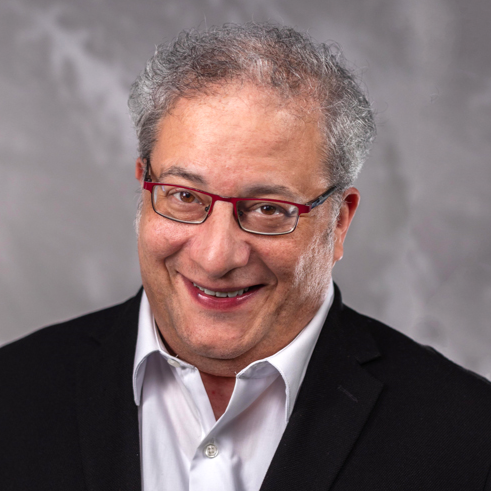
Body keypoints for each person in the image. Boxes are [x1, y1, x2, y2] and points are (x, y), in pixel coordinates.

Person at [1, 22, 491, 491]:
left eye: (268, 209)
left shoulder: (469, 438)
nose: (216, 258)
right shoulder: (14, 394)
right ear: (143, 185)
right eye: (185, 196)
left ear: (339, 221)